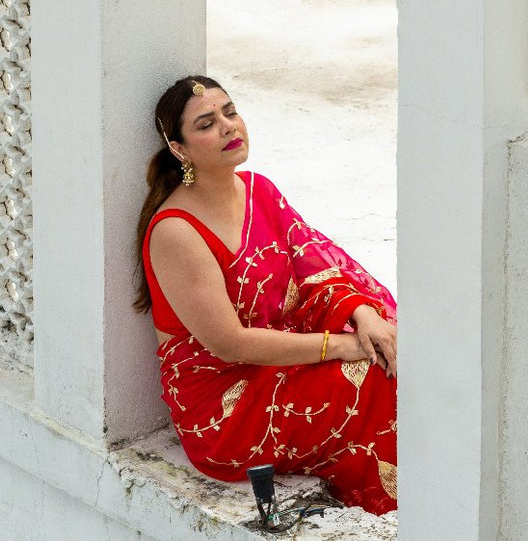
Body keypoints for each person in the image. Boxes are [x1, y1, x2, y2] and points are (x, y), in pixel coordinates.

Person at [135, 75, 399, 515]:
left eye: (230, 112)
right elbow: (229, 343)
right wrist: (341, 346)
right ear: (179, 150)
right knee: (372, 378)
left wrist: (363, 314)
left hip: (283, 358)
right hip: (225, 405)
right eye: (206, 123)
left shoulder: (260, 190)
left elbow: (317, 269)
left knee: (390, 337)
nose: (227, 127)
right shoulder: (176, 231)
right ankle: (390, 506)